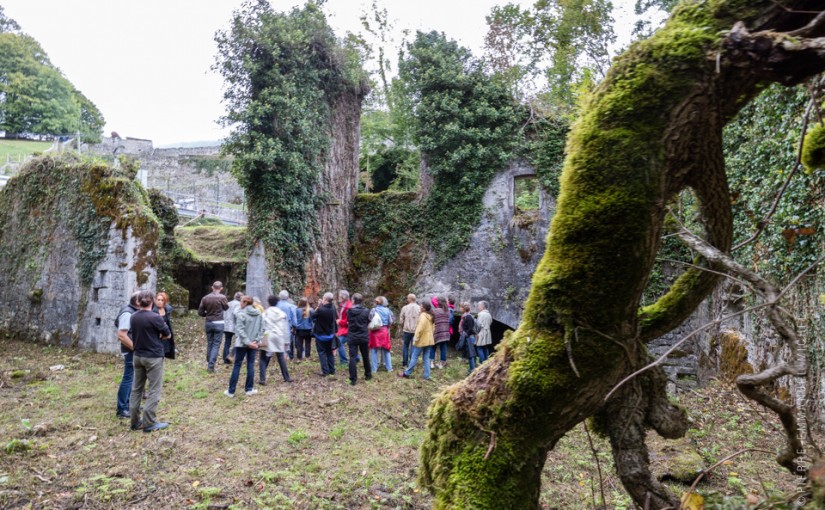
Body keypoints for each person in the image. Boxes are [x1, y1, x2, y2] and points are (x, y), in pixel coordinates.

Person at [129, 290, 172, 432]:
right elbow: (168, 334)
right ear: (152, 301)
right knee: (154, 389)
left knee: (136, 389)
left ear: (138, 302)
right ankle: (149, 422)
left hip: (137, 356)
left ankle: (135, 421)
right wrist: (159, 335)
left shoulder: (133, 317)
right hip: (153, 356)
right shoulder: (155, 318)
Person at [225, 296, 262, 397]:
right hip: (253, 343)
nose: (240, 303)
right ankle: (249, 389)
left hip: (242, 343)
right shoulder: (258, 314)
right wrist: (256, 340)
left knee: (237, 365)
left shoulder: (241, 314)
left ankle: (231, 391)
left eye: (241, 302)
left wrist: (248, 342)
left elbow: (239, 330)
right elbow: (261, 329)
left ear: (245, 303)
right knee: (250, 365)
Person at [115, 292, 139, 419]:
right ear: (137, 302)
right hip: (130, 350)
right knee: (128, 378)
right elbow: (122, 335)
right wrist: (135, 348)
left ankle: (128, 404)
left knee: (133, 377)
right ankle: (122, 408)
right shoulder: (127, 313)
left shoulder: (131, 311)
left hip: (132, 350)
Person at [260, 295, 292, 384]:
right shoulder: (281, 313)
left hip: (267, 334)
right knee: (280, 357)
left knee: (263, 357)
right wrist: (286, 340)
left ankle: (262, 378)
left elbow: (262, 326)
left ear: (268, 302)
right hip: (279, 335)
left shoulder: (265, 313)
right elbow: (285, 327)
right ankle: (287, 377)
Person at [198, 281, 228, 373]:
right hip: (219, 323)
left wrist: (207, 314)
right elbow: (226, 308)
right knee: (216, 344)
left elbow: (200, 312)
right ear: (221, 288)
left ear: (212, 287)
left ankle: (209, 360)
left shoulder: (205, 298)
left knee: (210, 343)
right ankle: (211, 366)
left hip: (209, 322)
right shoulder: (222, 297)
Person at [398, 301, 434, 380]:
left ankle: (407, 373)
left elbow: (419, 329)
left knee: (414, 356)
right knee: (426, 358)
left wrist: (416, 338)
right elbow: (433, 328)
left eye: (421, 306)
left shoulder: (423, 316)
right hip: (429, 340)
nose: (419, 307)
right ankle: (427, 376)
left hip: (422, 340)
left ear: (424, 308)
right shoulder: (431, 316)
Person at [346, 293, 371, 385]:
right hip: (363, 336)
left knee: (352, 357)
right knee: (365, 356)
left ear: (353, 300)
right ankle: (368, 375)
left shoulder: (349, 312)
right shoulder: (366, 311)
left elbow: (348, 321)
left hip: (352, 336)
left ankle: (353, 379)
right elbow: (368, 321)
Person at [312, 292, 337, 376]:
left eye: (323, 298)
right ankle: (332, 370)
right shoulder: (333, 308)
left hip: (321, 335)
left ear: (325, 299)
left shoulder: (321, 309)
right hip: (330, 334)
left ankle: (325, 371)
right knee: (329, 352)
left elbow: (312, 316)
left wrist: (319, 306)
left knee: (322, 353)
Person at [368, 296, 393, 373]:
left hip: (375, 332)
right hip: (384, 331)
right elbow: (390, 321)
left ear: (376, 302)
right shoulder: (387, 310)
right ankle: (389, 368)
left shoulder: (373, 310)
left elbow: (369, 318)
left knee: (374, 350)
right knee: (386, 350)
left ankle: (374, 369)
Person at [398, 294, 419, 368]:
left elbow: (401, 320)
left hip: (407, 329)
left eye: (407, 298)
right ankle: (411, 362)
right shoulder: (419, 308)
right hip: (416, 330)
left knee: (406, 346)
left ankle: (404, 363)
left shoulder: (405, 308)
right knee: (413, 346)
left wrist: (401, 326)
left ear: (410, 299)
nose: (407, 299)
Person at [153, 292, 175, 360]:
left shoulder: (167, 310)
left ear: (165, 301)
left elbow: (168, 323)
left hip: (165, 336)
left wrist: (167, 333)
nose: (160, 302)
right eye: (158, 300)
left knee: (162, 356)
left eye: (162, 300)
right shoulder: (153, 311)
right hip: (156, 337)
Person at [276, 290, 298, 359]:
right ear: (288, 297)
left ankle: (280, 355)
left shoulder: (276, 305)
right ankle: (290, 356)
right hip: (288, 327)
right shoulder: (292, 306)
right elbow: (294, 319)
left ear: (279, 296)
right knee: (290, 342)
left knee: (279, 341)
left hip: (277, 327)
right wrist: (295, 326)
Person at [429, 296, 450, 369]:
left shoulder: (435, 311)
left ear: (438, 302)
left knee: (433, 347)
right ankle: (441, 364)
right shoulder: (447, 311)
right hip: (445, 332)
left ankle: (431, 363)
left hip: (436, 331)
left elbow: (431, 320)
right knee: (443, 348)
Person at [222, 292, 242, 364]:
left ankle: (225, 359)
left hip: (227, 325)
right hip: (235, 326)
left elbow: (223, 313)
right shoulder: (239, 305)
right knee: (237, 342)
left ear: (234, 297)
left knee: (227, 342)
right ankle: (232, 356)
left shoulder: (228, 303)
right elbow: (237, 315)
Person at [459, 303, 477, 374]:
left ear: (464, 309)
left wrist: (465, 334)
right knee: (470, 354)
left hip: (469, 337)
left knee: (471, 354)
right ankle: (472, 368)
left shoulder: (468, 317)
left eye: (461, 307)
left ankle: (472, 370)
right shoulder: (465, 316)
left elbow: (470, 328)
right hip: (468, 337)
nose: (460, 309)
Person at [335, 290, 353, 365]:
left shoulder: (348, 306)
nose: (338, 297)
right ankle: (356, 358)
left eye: (340, 296)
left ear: (344, 297)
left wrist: (340, 321)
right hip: (344, 328)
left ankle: (344, 361)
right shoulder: (343, 304)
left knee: (339, 343)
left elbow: (349, 320)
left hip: (347, 329)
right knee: (350, 343)